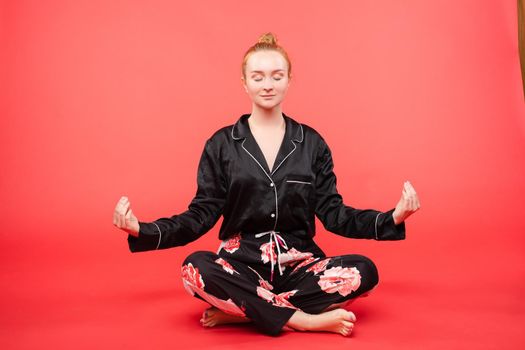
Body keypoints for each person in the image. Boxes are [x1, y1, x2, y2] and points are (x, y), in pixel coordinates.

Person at [112, 32, 420, 337]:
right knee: (195, 268)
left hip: (300, 267)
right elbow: (200, 215)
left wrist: (392, 218)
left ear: (289, 80)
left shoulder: (312, 144)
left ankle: (246, 313)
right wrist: (142, 229)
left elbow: (334, 213)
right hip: (240, 267)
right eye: (258, 77)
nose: (268, 84)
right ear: (244, 83)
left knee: (364, 270)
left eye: (277, 76)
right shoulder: (221, 145)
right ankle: (303, 319)